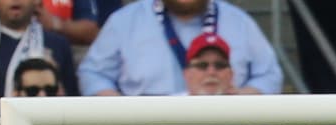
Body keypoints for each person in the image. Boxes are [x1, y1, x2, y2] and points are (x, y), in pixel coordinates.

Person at [79, 0, 281, 97]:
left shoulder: (238, 21)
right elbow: (93, 73)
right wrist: (119, 108)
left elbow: (269, 74)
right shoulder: (124, 21)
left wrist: (242, 97)